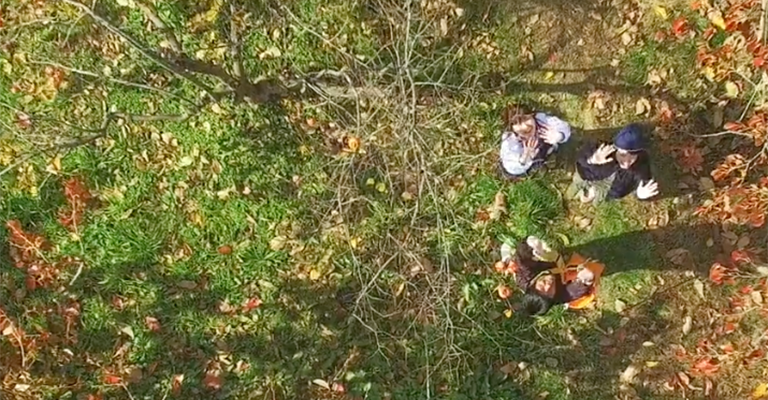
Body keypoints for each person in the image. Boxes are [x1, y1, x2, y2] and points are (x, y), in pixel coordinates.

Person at [499, 237, 602, 316]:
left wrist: (529, 246)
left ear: (532, 285)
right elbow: (572, 292)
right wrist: (585, 280)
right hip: (558, 268)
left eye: (541, 288)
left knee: (535, 253)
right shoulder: (556, 296)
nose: (548, 286)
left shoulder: (525, 275)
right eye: (549, 294)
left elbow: (522, 258)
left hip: (543, 262)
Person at [567, 123, 659, 203]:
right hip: (586, 175)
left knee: (595, 197)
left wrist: (640, 195)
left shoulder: (641, 165)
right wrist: (592, 160)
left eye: (632, 158)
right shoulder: (601, 149)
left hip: (608, 190)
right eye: (623, 155)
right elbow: (580, 159)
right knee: (572, 190)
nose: (626, 164)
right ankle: (582, 188)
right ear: (616, 148)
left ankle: (594, 192)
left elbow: (643, 184)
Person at [499, 105, 572, 178]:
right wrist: (524, 159)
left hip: (544, 149)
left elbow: (564, 127)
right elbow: (510, 167)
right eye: (517, 123)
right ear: (511, 128)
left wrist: (559, 136)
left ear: (532, 115)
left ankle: (550, 156)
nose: (525, 126)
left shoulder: (541, 121)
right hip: (524, 166)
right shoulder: (510, 142)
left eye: (526, 118)